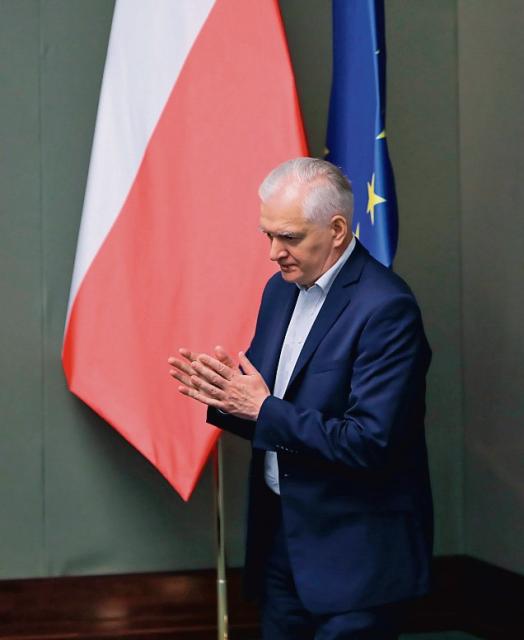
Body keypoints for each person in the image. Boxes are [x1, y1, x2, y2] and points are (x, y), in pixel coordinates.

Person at [168, 158, 433, 639]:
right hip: (283, 546)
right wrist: (226, 395)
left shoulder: (386, 308)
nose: (274, 253)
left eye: (288, 237)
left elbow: (370, 442)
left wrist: (261, 408)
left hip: (357, 561)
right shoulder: (280, 291)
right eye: (268, 235)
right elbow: (270, 409)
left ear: (337, 230)